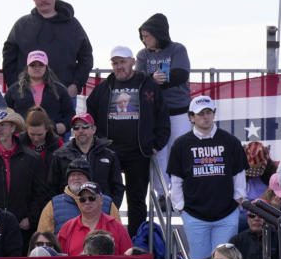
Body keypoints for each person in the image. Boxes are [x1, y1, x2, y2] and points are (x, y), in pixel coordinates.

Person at [86, 45, 169, 235]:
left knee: (137, 200)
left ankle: (135, 241)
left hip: (138, 152)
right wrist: (96, 142)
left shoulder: (148, 85)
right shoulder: (104, 87)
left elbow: (163, 115)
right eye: (115, 63)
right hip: (108, 151)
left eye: (122, 62)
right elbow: (89, 112)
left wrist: (156, 144)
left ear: (132, 62)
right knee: (105, 198)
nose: (119, 66)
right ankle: (104, 237)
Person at [169, 96, 247, 259]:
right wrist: (180, 207)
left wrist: (239, 199)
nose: (205, 117)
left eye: (208, 112)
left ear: (213, 113)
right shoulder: (181, 144)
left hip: (226, 214)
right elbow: (176, 179)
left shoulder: (230, 141)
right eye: (200, 113)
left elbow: (239, 174)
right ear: (191, 117)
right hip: (194, 215)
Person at [1, 0, 93, 99]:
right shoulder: (22, 25)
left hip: (63, 97)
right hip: (26, 97)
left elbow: (86, 58)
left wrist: (76, 85)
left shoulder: (72, 25)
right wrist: (15, 86)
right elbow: (8, 58)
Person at [0, 109, 47, 244]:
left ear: (13, 127)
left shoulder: (32, 158)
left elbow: (41, 193)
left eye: (2, 125)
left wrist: (31, 218)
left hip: (22, 228)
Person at [137, 13, 192, 191]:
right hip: (155, 113)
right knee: (158, 153)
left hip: (179, 111)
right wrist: (153, 79)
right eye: (142, 36)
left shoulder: (177, 49)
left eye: (147, 36)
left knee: (180, 150)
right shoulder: (143, 55)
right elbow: (139, 78)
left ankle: (182, 191)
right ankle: (161, 193)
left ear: (158, 34)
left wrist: (161, 80)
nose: (144, 40)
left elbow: (181, 73)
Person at [49, 112, 126, 209]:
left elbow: (118, 187)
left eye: (85, 126)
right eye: (76, 128)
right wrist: (60, 209)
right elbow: (52, 187)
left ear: (93, 129)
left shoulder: (109, 155)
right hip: (69, 211)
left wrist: (111, 209)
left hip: (102, 211)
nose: (80, 130)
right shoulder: (60, 155)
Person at [37, 157, 121, 235]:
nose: (76, 178)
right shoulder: (53, 205)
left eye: (80, 174)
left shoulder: (108, 204)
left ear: (89, 178)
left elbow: (119, 235)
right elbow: (43, 239)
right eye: (72, 175)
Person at [4, 51, 74, 135]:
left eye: (41, 65)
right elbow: (4, 113)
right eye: (33, 65)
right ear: (27, 67)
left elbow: (70, 114)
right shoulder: (14, 90)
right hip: (21, 140)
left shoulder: (60, 90)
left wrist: (64, 126)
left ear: (46, 67)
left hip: (52, 139)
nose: (37, 68)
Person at [57, 182, 132, 256]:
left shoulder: (117, 228)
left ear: (101, 200)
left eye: (91, 198)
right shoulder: (67, 228)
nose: (87, 202)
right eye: (83, 199)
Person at [19, 107, 63, 187]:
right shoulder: (18, 141)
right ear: (26, 129)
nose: (36, 139)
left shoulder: (57, 143)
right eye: (32, 134)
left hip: (49, 189)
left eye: (40, 135)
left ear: (47, 129)